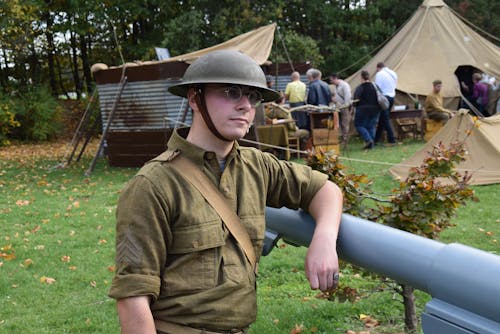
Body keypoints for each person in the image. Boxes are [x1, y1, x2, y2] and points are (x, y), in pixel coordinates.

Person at [109, 50, 343, 334]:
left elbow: (325, 190)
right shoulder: (153, 184)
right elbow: (133, 298)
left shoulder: (257, 166)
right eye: (231, 93)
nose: (246, 106)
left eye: (252, 97)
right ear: (195, 99)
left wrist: (325, 239)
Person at [353, 70, 381, 149]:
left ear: (361, 77)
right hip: (376, 108)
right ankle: (371, 145)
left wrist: (353, 106)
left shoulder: (360, 87)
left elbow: (355, 99)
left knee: (359, 125)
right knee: (371, 126)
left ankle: (368, 140)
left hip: (363, 109)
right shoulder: (375, 86)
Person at [374, 62, 397, 146]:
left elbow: (377, 88)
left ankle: (392, 139)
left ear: (378, 67)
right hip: (392, 97)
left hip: (384, 98)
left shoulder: (379, 74)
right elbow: (394, 86)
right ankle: (376, 140)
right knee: (382, 119)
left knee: (385, 119)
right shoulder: (393, 73)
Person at [329, 73, 352, 143]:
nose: (331, 82)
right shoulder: (336, 86)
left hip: (344, 107)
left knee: (345, 123)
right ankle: (343, 138)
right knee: (341, 124)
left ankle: (345, 139)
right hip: (339, 107)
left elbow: (348, 96)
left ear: (335, 78)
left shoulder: (344, 85)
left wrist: (345, 106)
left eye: (331, 80)